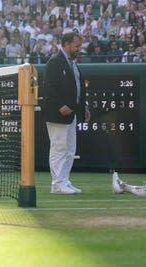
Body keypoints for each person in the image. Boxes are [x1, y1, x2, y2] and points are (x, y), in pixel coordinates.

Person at [42, 31, 89, 194]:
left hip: (72, 113)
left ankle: (64, 181)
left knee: (69, 149)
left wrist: (84, 107)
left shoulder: (73, 63)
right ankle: (57, 184)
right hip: (58, 114)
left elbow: (78, 88)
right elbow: (48, 88)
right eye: (76, 46)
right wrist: (61, 105)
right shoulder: (55, 62)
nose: (79, 49)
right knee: (59, 148)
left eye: (80, 46)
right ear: (66, 44)